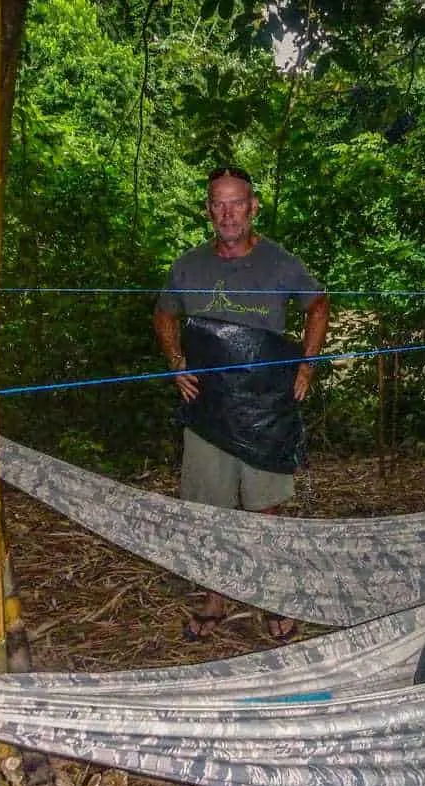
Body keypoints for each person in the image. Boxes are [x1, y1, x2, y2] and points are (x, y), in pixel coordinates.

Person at [153, 166, 330, 642]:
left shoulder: (279, 262)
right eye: (219, 203)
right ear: (208, 209)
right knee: (210, 511)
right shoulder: (189, 265)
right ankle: (216, 599)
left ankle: (272, 599)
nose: (228, 213)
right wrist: (175, 363)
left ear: (253, 206)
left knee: (265, 509)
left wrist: (306, 366)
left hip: (265, 405)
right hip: (208, 408)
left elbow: (318, 303)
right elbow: (164, 313)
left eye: (238, 203)